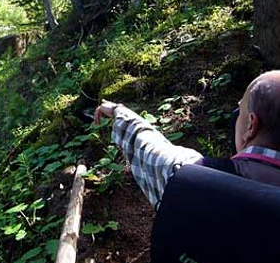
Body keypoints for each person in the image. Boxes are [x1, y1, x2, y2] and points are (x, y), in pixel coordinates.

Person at [94, 70, 280, 209]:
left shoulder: (193, 176)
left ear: (251, 126)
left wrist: (119, 112)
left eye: (240, 112)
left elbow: (152, 151)